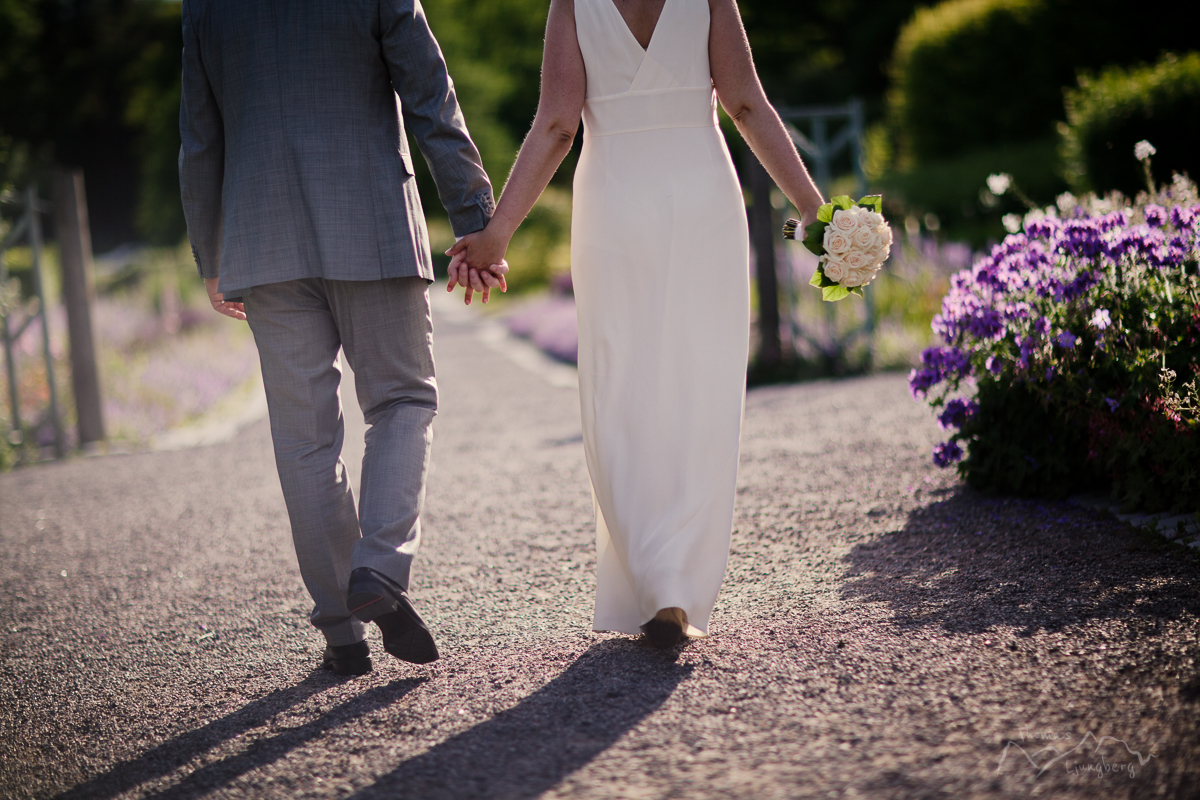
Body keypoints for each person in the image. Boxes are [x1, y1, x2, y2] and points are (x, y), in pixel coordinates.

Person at [447, 0, 824, 647]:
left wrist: (496, 235)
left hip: (615, 201)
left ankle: (655, 573)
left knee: (622, 383)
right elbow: (747, 105)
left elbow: (558, 125)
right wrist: (815, 212)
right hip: (702, 195)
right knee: (700, 379)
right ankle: (674, 577)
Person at [179, 0, 506, 675]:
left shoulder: (207, 7)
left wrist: (211, 254)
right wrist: (477, 220)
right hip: (374, 224)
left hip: (261, 240)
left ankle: (341, 633)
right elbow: (431, 105)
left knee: (304, 440)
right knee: (402, 401)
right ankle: (380, 569)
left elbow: (199, 138)